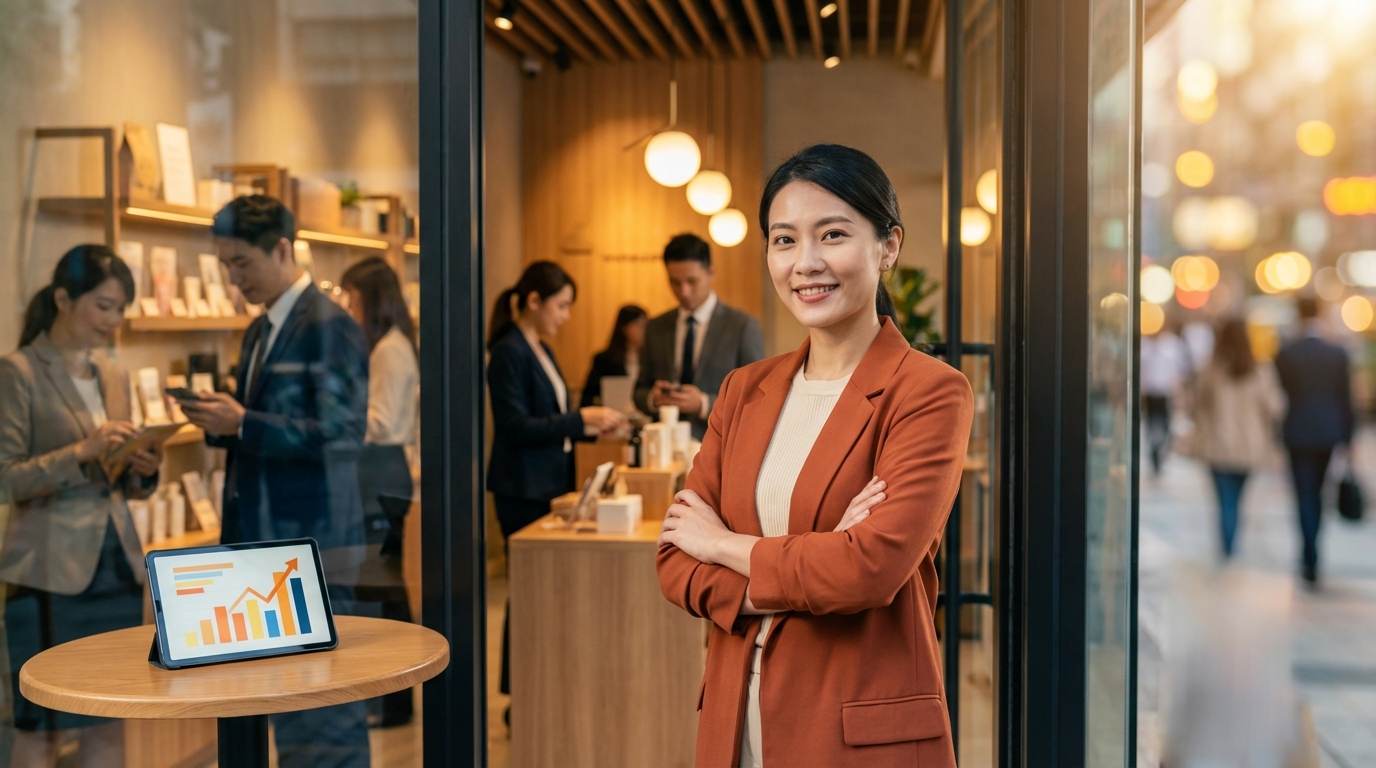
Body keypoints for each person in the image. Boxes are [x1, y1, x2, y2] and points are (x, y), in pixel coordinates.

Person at [656, 144, 972, 766]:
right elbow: (673, 561)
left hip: (853, 734)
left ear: (888, 246)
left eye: (832, 235)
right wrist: (822, 556)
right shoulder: (744, 390)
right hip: (735, 723)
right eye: (784, 240)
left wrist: (722, 544)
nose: (805, 263)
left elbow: (868, 569)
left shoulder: (928, 391)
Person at [176, 195, 372, 766]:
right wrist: (224, 422)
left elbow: (342, 436)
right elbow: (268, 428)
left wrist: (244, 422)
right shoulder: (259, 330)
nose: (234, 280)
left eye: (243, 263)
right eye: (226, 266)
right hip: (261, 543)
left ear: (283, 249)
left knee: (325, 713)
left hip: (313, 543)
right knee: (278, 704)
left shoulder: (331, 326)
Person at [0, 245, 164, 767]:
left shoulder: (113, 374)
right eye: (104, 306)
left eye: (121, 309)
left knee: (109, 721)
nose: (114, 321)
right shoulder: (18, 372)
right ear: (63, 299)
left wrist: (142, 467)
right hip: (46, 575)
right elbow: (5, 477)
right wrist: (81, 452)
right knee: (41, 728)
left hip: (116, 567)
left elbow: (118, 481)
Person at [486, 261, 628, 712]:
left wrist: (588, 427)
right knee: (529, 591)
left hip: (546, 483)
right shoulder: (509, 351)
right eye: (561, 306)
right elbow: (514, 426)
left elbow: (549, 421)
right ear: (534, 301)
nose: (565, 316)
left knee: (542, 592)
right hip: (522, 488)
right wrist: (579, 419)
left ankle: (536, 688)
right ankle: (520, 694)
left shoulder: (539, 348)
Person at [340, 256, 419, 727]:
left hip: (380, 471)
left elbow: (383, 422)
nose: (348, 309)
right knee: (386, 585)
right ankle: (392, 702)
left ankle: (384, 701)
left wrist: (338, 417)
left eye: (352, 299)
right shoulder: (393, 344)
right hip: (385, 471)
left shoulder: (388, 349)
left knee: (376, 584)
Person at [635, 234, 764, 440]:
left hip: (720, 443)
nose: (684, 291)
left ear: (710, 272)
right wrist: (654, 398)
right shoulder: (656, 327)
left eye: (692, 281)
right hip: (665, 446)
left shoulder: (741, 326)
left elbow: (757, 396)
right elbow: (639, 391)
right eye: (675, 282)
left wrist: (703, 403)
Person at [1275, 297, 1354, 587]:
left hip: (1297, 432)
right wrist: (1348, 437)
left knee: (1303, 493)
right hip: (1328, 433)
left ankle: (1308, 554)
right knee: (1319, 492)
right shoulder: (1337, 353)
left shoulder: (1287, 353)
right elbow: (1346, 399)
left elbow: (1279, 395)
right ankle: (1313, 551)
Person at [1190, 319, 1285, 558]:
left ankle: (1228, 546)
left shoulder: (1212, 367)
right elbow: (1275, 407)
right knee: (1237, 499)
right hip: (1250, 446)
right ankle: (1231, 544)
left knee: (1225, 499)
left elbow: (1198, 403)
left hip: (1218, 444)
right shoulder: (1260, 368)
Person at [1140, 319, 1193, 476]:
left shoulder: (1173, 346)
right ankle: (1154, 454)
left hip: (1167, 393)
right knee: (1151, 425)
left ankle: (1162, 450)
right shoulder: (1145, 346)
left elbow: (1182, 371)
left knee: (1166, 425)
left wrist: (1180, 391)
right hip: (1150, 393)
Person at [580, 304, 648, 408]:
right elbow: (587, 398)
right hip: (614, 413)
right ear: (624, 327)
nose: (643, 330)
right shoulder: (604, 360)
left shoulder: (650, 359)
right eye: (638, 325)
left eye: (646, 325)